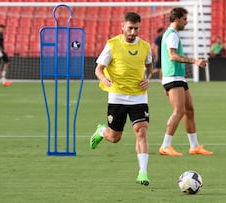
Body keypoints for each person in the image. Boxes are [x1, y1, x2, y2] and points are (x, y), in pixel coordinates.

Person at [90, 12, 153, 186]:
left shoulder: (145, 47)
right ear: (122, 27)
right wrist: (104, 79)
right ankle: (102, 131)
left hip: (139, 97)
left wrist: (148, 78)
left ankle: (143, 172)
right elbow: (98, 69)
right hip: (117, 96)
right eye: (130, 28)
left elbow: (149, 66)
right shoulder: (112, 45)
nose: (133, 32)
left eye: (136, 28)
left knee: (141, 131)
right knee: (115, 137)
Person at [158, 7, 213, 156]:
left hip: (178, 77)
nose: (186, 22)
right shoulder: (172, 35)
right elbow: (172, 56)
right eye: (184, 19)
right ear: (176, 19)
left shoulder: (171, 34)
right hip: (173, 77)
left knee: (189, 110)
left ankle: (194, 146)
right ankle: (165, 145)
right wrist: (194, 61)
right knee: (179, 111)